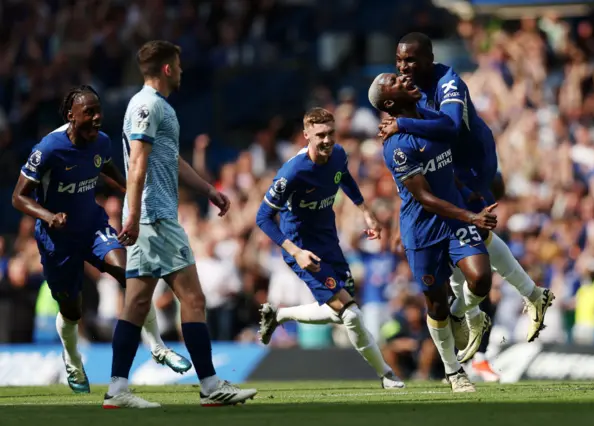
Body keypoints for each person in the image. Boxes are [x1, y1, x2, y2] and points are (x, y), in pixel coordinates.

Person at [104, 40, 256, 409]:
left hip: (151, 217)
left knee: (137, 304)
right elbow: (137, 164)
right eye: (179, 64)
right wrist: (135, 215)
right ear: (168, 69)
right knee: (193, 298)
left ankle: (117, 389)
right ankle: (209, 384)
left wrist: (207, 189)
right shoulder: (148, 105)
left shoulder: (156, 107)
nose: (183, 70)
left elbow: (169, 159)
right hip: (155, 217)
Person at [379, 32, 555, 349]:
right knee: (464, 236)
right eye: (399, 60)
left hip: (471, 164)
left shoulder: (448, 82)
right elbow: (407, 175)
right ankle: (518, 299)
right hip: (447, 167)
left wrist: (403, 125)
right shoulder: (407, 92)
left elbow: (451, 128)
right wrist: (396, 219)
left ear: (428, 60)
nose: (403, 67)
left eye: (410, 60)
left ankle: (473, 312)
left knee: (468, 230)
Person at [11, 85, 191, 394]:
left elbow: (102, 163)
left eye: (99, 111)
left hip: (93, 226)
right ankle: (71, 359)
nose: (97, 118)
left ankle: (157, 347)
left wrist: (127, 187)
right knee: (71, 310)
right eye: (89, 113)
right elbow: (18, 197)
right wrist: (48, 216)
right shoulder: (49, 149)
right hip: (57, 240)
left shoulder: (102, 141)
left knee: (129, 273)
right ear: (71, 116)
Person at [255, 107, 405, 389]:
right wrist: (294, 252)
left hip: (330, 243)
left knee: (340, 313)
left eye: (331, 133)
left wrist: (365, 211)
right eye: (320, 135)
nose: (327, 140)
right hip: (303, 250)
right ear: (306, 135)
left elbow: (344, 177)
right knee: (351, 313)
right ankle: (386, 375)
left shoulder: (338, 155)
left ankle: (280, 315)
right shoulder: (292, 172)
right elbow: (262, 218)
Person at [369, 72, 499, 392]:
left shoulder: (428, 116)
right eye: (394, 81)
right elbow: (425, 198)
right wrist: (472, 215)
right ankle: (454, 371)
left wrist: (465, 193)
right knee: (435, 304)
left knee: (481, 279)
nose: (403, 77)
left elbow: (451, 130)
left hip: (454, 220)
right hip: (423, 231)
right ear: (389, 102)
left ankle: (460, 315)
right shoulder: (396, 146)